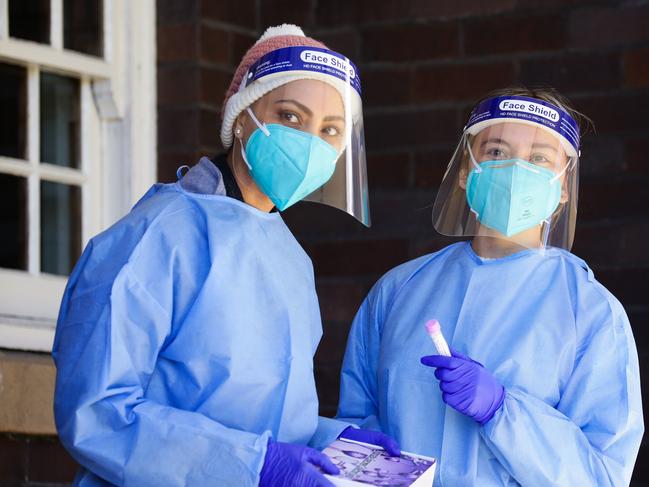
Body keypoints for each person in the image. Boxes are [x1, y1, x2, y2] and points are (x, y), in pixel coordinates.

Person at [53, 24, 398, 487]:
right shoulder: (159, 234)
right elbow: (96, 411)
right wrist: (255, 464)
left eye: (329, 129)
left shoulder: (290, 259)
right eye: (292, 118)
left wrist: (342, 444)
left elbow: (273, 418)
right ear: (241, 117)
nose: (311, 142)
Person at [336, 86, 643, 486]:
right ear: (465, 170)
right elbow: (356, 437)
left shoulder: (590, 311)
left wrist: (503, 411)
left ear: (563, 187)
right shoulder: (397, 292)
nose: (517, 171)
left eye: (538, 159)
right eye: (496, 152)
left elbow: (602, 476)